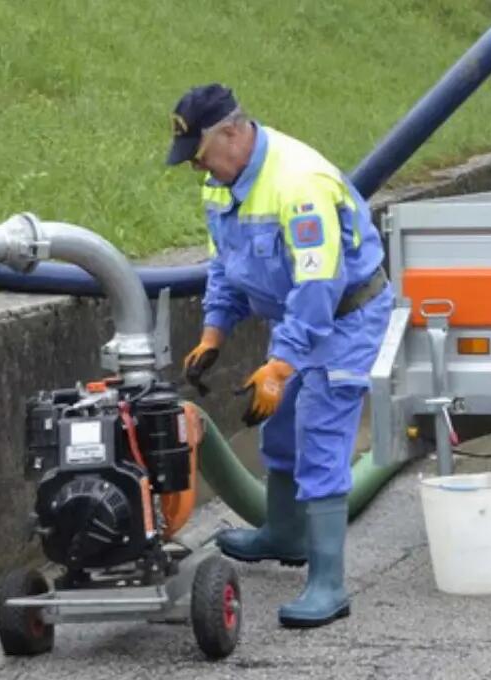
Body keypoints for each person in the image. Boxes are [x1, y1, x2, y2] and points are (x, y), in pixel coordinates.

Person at [168, 83, 393, 628]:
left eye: (200, 153)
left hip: (344, 319)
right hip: (296, 317)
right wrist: (214, 331)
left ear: (230, 133)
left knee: (320, 436)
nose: (199, 167)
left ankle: (328, 583)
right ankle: (287, 533)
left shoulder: (298, 184)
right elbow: (225, 264)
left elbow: (319, 288)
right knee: (280, 427)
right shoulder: (220, 185)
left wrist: (283, 363)